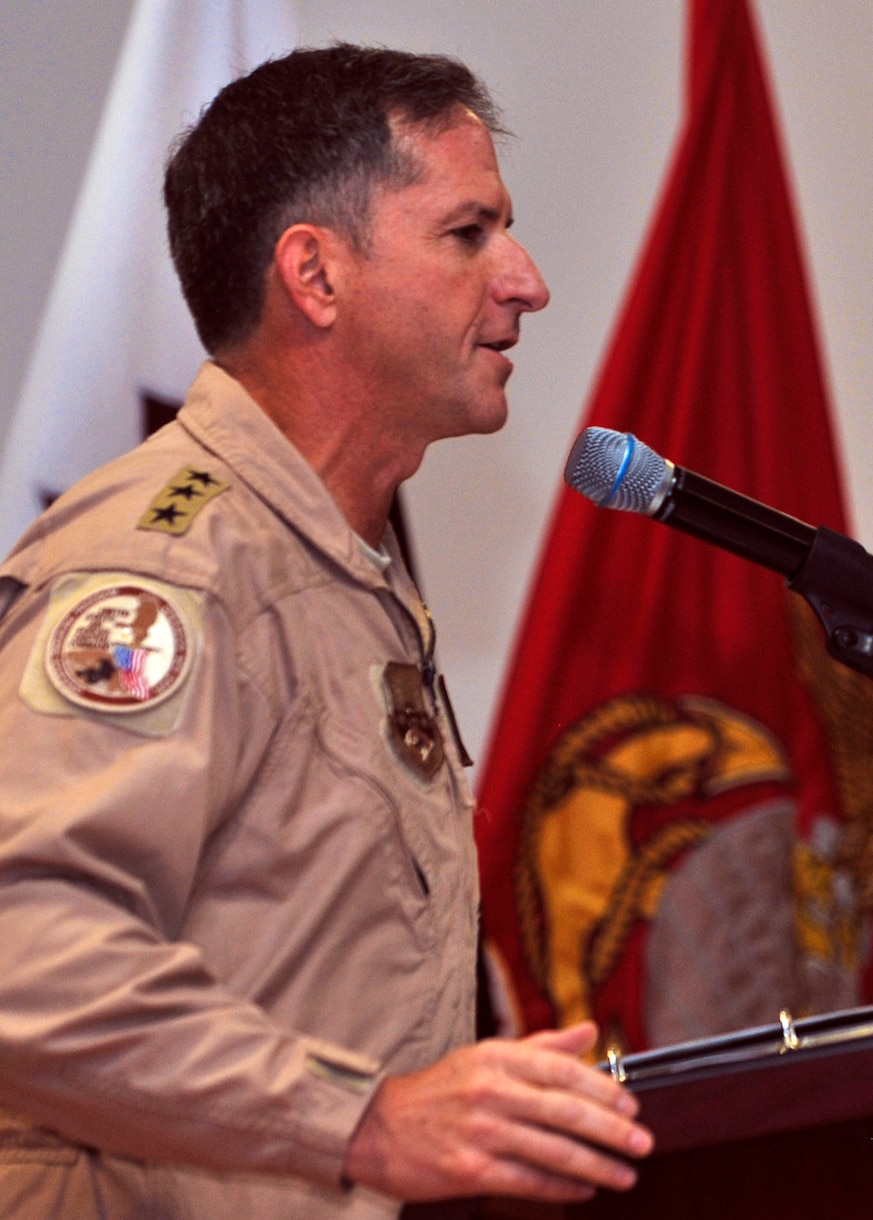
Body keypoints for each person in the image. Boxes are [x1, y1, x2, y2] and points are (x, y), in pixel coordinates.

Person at [0, 44, 652, 1218]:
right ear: (315, 274)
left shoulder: (338, 565)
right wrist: (366, 1119)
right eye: (469, 234)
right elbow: (25, 953)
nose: (526, 279)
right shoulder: (166, 566)